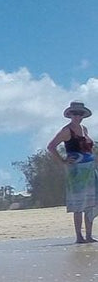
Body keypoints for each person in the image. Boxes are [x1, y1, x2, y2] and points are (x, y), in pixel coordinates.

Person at [47, 101, 96, 243]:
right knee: (78, 204)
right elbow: (51, 146)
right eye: (74, 113)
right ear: (70, 114)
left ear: (83, 115)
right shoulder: (66, 130)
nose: (77, 116)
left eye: (80, 113)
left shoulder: (84, 129)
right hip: (76, 172)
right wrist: (62, 161)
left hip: (89, 170)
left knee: (90, 204)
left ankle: (89, 235)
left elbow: (88, 148)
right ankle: (79, 236)